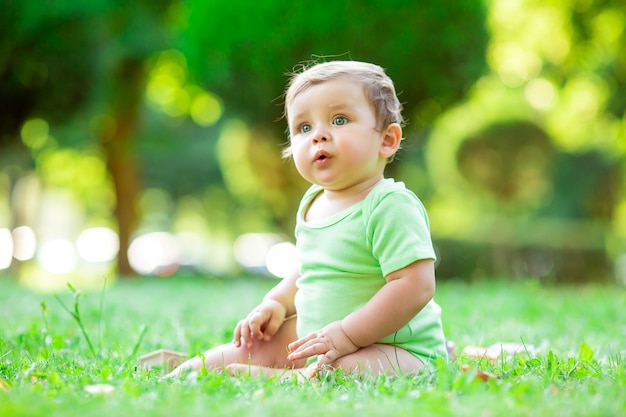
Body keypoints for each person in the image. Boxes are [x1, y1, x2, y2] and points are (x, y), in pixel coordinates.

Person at [168, 60, 447, 379]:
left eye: (339, 120)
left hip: (396, 349)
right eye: (303, 127)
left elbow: (415, 286)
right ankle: (183, 373)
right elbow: (308, 269)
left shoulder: (389, 205)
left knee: (342, 371)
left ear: (387, 140)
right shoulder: (313, 201)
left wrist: (348, 335)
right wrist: (276, 303)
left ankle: (294, 379)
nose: (318, 136)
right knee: (249, 350)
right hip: (317, 340)